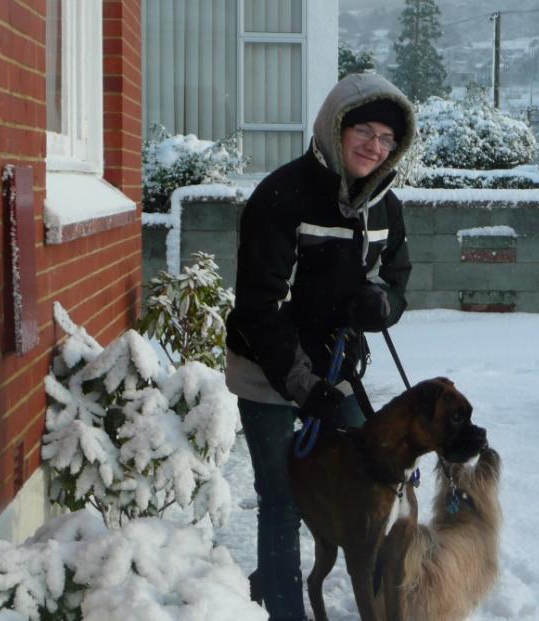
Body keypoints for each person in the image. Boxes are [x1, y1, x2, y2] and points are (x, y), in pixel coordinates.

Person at [224, 72, 416, 621]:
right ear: (336, 128)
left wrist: (383, 305)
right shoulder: (282, 196)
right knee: (283, 499)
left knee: (364, 481)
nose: (375, 146)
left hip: (336, 368)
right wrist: (305, 389)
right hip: (267, 369)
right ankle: (285, 608)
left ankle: (375, 601)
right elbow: (260, 309)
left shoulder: (386, 207)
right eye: (365, 131)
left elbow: (397, 279)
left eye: (387, 139)